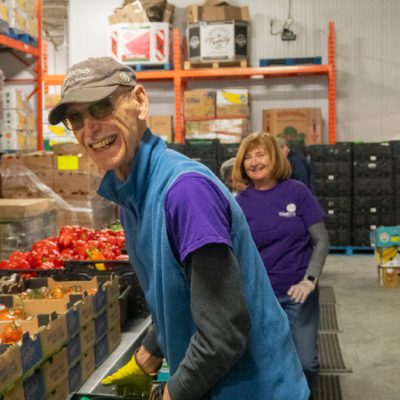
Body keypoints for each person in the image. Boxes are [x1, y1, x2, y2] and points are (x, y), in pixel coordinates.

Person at [49, 57, 310, 400]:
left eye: (100, 107)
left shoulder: (185, 192)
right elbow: (175, 293)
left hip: (253, 390)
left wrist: (172, 393)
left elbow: (224, 333)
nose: (90, 128)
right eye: (76, 118)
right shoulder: (131, 196)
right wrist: (150, 351)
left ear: (139, 102)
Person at [233, 132, 329, 396]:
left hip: (298, 293)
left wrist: (310, 279)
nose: (254, 162)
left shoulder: (297, 192)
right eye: (248, 157)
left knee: (306, 363)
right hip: (261, 298)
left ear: (274, 157)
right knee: (267, 363)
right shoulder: (239, 204)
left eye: (260, 154)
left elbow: (321, 241)